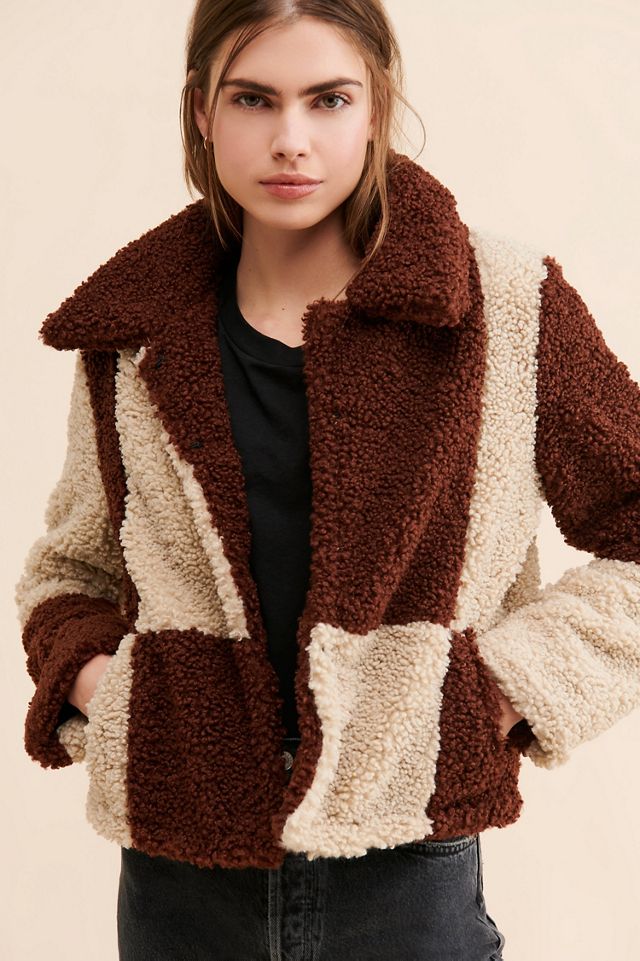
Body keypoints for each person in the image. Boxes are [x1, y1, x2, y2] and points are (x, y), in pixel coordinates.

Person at [14, 2, 640, 959]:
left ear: (377, 107)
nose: (291, 140)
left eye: (329, 99)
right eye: (253, 99)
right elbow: (71, 571)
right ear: (201, 112)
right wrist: (116, 689)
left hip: (408, 865)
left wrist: (499, 689)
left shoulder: (505, 306)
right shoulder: (135, 334)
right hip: (181, 871)